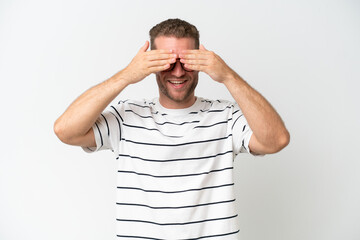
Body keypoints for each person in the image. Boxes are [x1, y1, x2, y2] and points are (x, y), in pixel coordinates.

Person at [54, 18, 290, 239]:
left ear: (200, 62)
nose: (178, 72)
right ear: (151, 65)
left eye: (186, 62)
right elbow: (66, 131)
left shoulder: (225, 116)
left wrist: (228, 76)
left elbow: (276, 140)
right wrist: (126, 75)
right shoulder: (126, 116)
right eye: (166, 62)